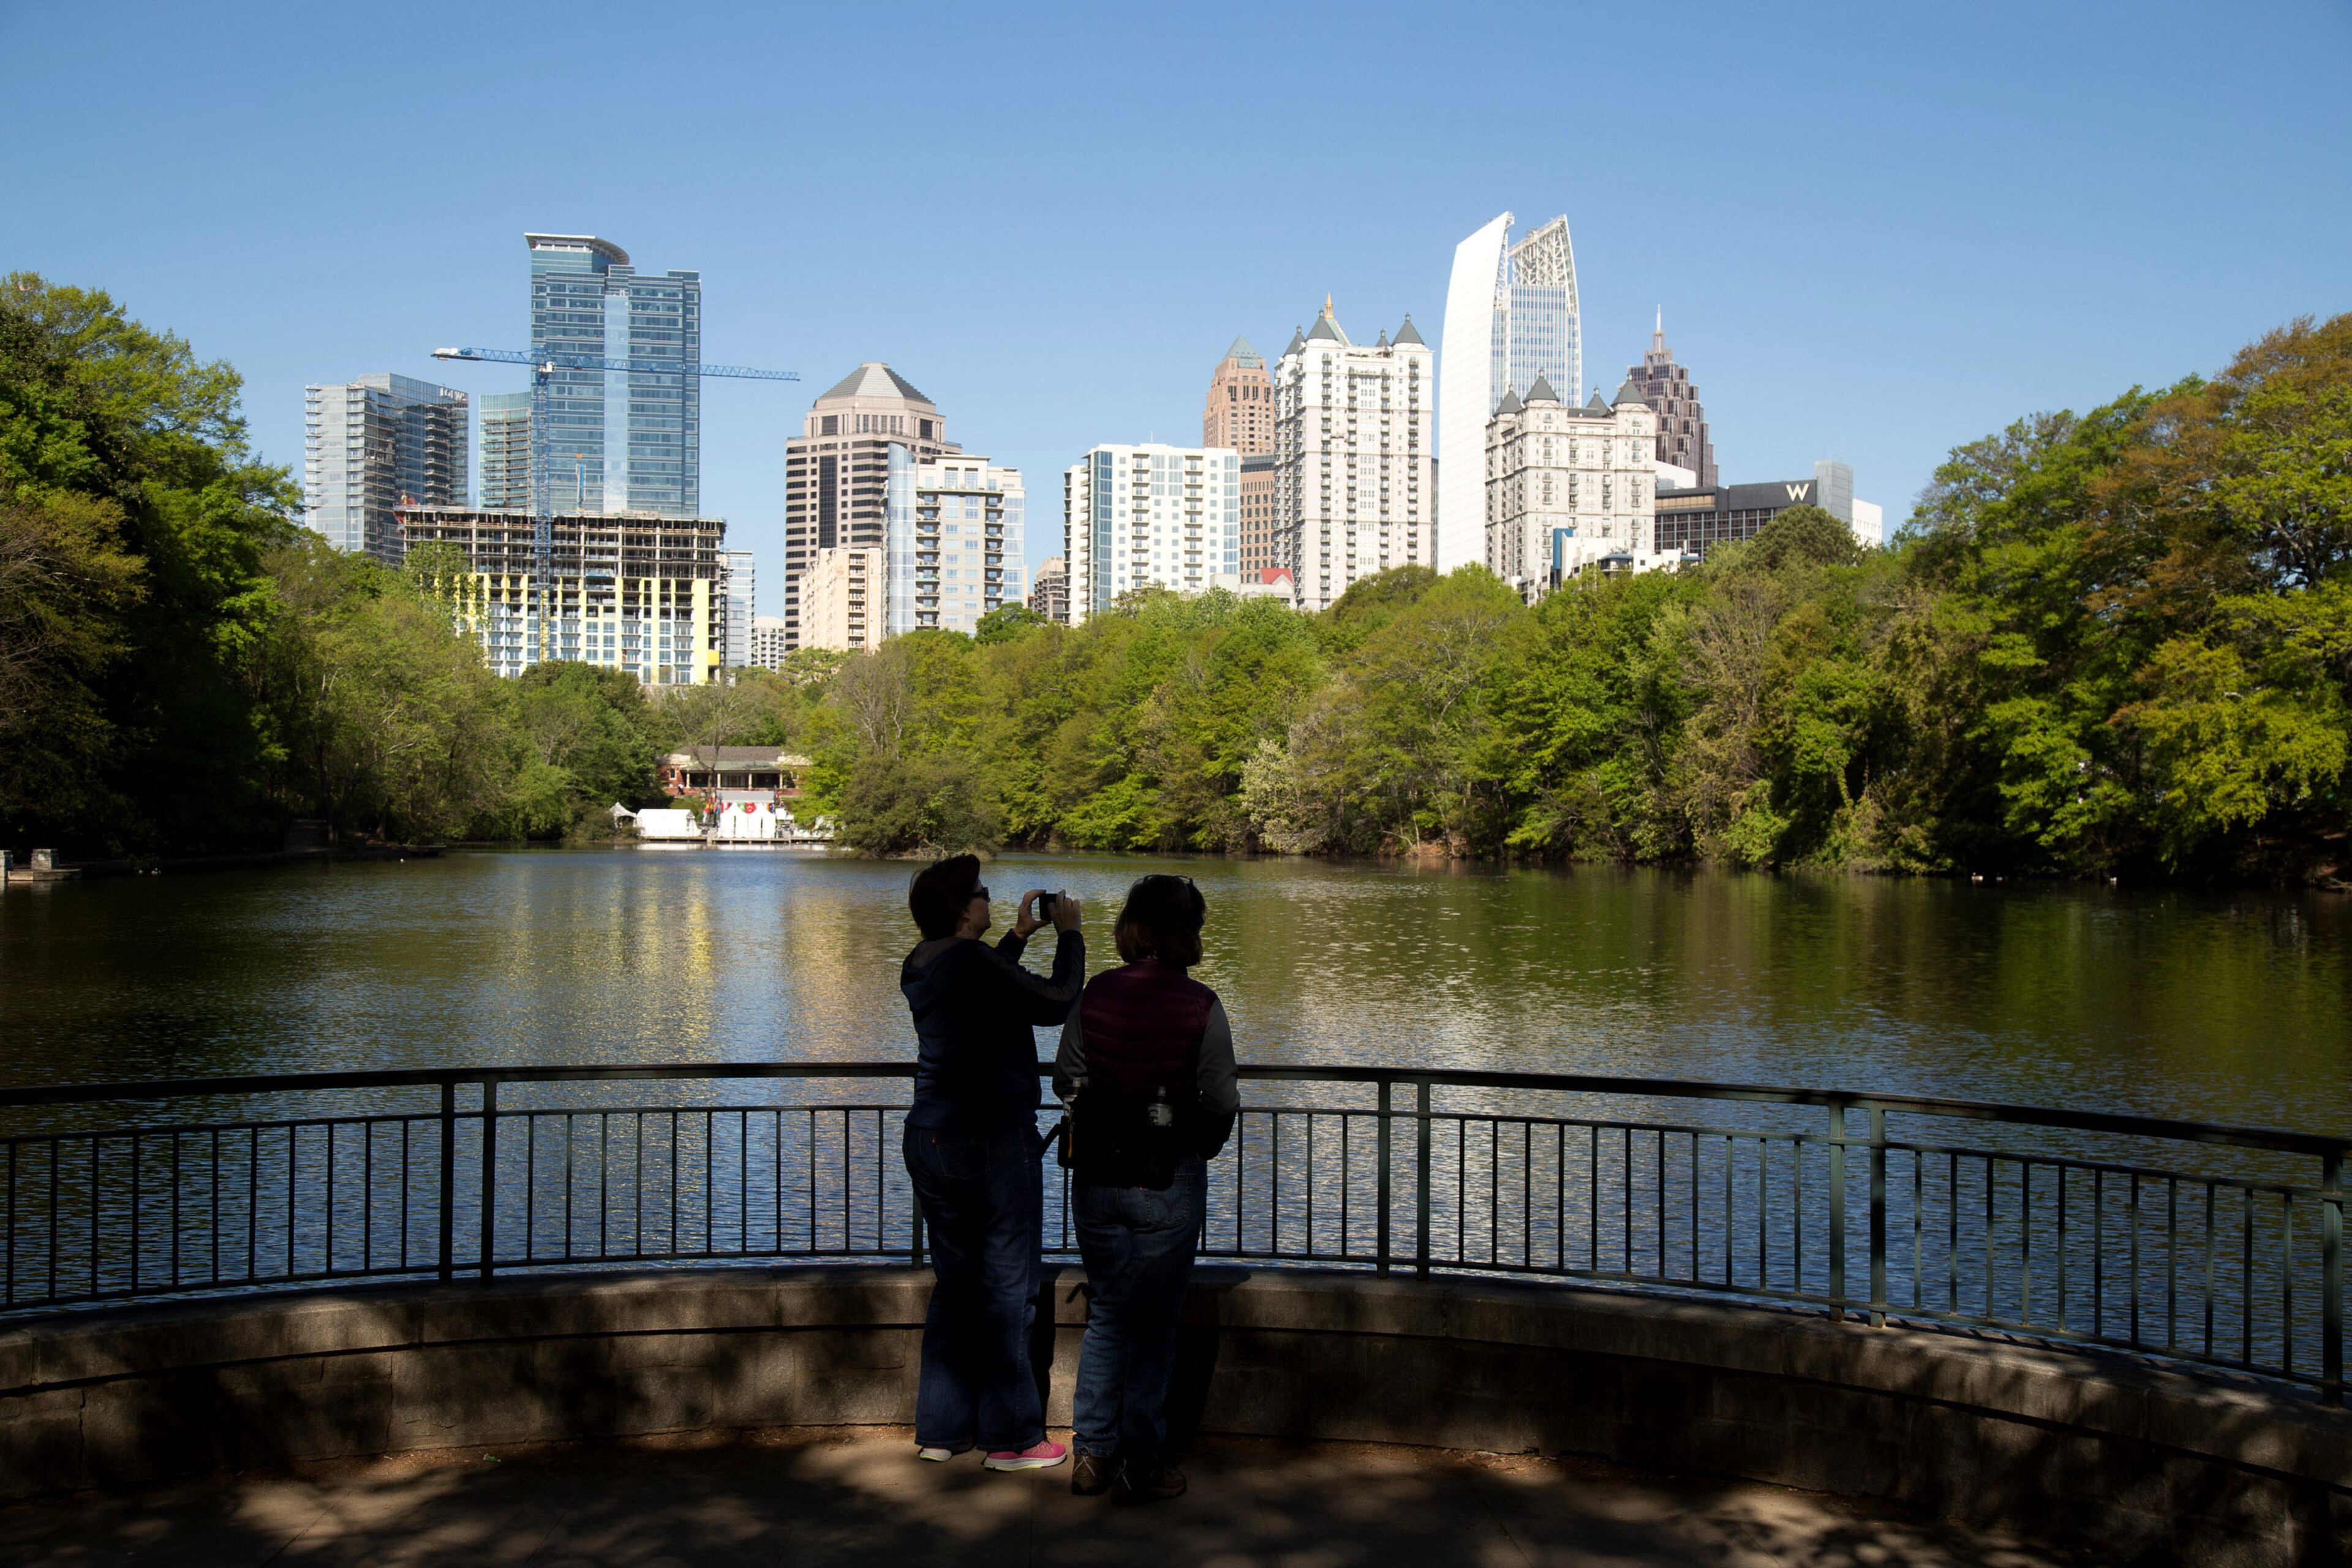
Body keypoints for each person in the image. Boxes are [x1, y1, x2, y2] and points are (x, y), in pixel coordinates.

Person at [1053, 874, 1238, 1504]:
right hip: (1170, 1178)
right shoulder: (1201, 1005)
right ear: (1187, 932)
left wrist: (1106, 1111)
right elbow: (1221, 1100)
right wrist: (1197, 1144)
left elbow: (1067, 1079)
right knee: (1155, 1324)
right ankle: (1142, 1459)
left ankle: (1092, 1453)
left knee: (1107, 1310)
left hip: (1099, 1177)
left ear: (1132, 925)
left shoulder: (1097, 994)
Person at [899, 854, 1084, 1472]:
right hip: (990, 1138)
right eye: (982, 893)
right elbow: (1057, 1001)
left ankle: (942, 1430)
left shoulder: (923, 962)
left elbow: (984, 978)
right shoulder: (969, 961)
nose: (988, 898)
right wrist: (1071, 935)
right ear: (961, 908)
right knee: (1010, 1288)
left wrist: (1016, 935)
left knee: (955, 1286)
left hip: (930, 1135)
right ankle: (1012, 1439)